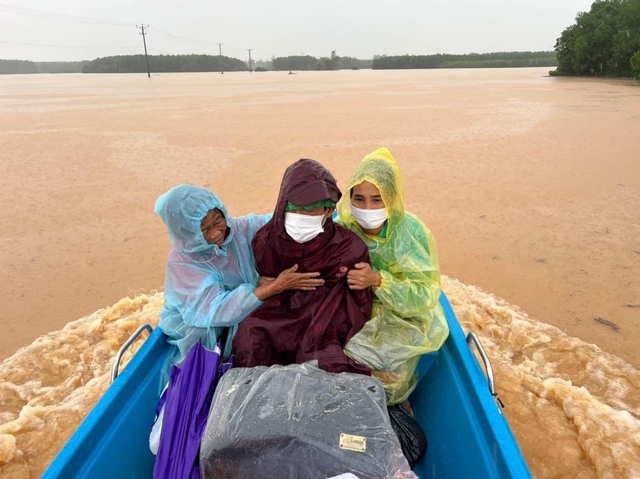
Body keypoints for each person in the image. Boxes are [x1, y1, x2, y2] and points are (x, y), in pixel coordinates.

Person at [154, 184, 325, 367]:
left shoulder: (239, 229)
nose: (216, 233)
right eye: (204, 230)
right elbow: (216, 309)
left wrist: (314, 207)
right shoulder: (181, 261)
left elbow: (276, 225)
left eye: (218, 221)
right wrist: (271, 288)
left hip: (249, 301)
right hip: (207, 327)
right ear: (187, 232)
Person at [232, 159, 373, 374]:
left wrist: (352, 286)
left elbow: (360, 302)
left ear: (328, 211)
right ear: (282, 206)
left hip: (328, 311)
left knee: (323, 357)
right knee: (251, 335)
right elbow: (266, 280)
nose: (301, 217)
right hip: (283, 307)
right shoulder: (266, 241)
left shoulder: (349, 246)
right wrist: (277, 284)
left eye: (311, 211)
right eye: (296, 209)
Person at [337, 147, 450, 406]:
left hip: (404, 317)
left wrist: (379, 280)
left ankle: (390, 405)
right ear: (349, 198)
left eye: (377, 199)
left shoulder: (412, 233)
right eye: (360, 199)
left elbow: (426, 294)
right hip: (355, 310)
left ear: (392, 198)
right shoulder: (342, 227)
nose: (367, 208)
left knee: (389, 370)